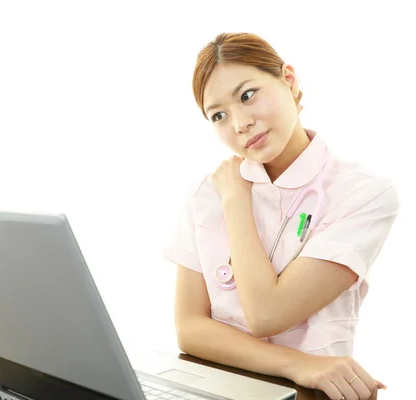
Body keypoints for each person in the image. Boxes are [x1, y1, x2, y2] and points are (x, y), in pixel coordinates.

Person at [163, 32, 400, 400]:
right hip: (218, 390)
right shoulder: (208, 194)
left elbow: (267, 315)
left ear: (288, 80)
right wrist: (296, 363)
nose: (240, 123)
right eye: (219, 115)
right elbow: (190, 329)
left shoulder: (362, 193)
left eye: (247, 95)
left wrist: (236, 205)